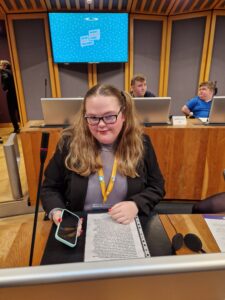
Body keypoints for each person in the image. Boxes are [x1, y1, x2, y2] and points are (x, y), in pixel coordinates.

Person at [41, 84, 165, 226]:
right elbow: (50, 189)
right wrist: (58, 213)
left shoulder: (142, 143)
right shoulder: (69, 144)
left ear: (123, 115)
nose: (101, 124)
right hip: (80, 225)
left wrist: (136, 205)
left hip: (125, 224)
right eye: (93, 117)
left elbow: (157, 186)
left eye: (109, 116)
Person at [0, 60, 20, 133]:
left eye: (0, 65)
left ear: (4, 66)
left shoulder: (4, 72)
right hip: (17, 93)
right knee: (19, 110)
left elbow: (4, 86)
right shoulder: (13, 71)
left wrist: (4, 87)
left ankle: (16, 128)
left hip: (11, 94)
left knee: (12, 112)